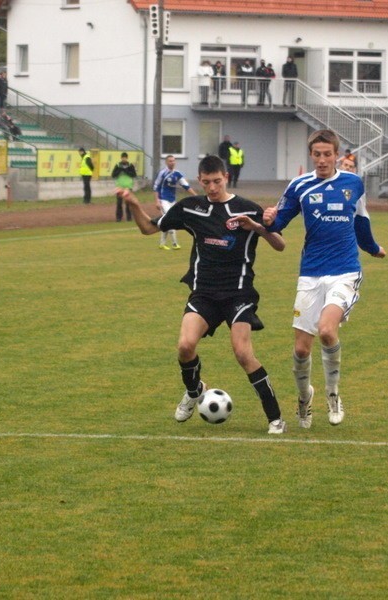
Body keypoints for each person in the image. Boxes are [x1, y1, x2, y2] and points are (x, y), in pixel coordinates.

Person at [120, 154, 288, 434]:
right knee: (185, 346)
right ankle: (195, 390)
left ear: (227, 178)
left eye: (217, 181)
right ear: (200, 180)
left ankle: (275, 418)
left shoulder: (246, 208)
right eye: (207, 182)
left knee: (243, 353)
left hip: (238, 294)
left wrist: (258, 227)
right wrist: (135, 205)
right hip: (204, 294)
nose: (212, 187)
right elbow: (148, 228)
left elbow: (280, 244)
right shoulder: (191, 208)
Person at [264, 129, 386, 429]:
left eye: (327, 154)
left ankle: (333, 396)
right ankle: (305, 399)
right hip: (310, 274)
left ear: (337, 155)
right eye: (317, 154)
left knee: (327, 330)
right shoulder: (299, 186)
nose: (322, 160)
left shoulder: (353, 184)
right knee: (301, 349)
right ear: (311, 155)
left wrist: (372, 248)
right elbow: (279, 222)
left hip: (345, 271)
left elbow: (361, 221)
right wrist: (268, 218)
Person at [153, 155, 196, 250]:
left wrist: (196, 196)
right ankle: (174, 244)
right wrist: (157, 201)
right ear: (166, 162)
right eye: (170, 161)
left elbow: (186, 186)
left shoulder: (177, 174)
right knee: (170, 219)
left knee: (166, 221)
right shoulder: (162, 173)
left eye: (173, 161)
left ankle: (162, 244)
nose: (172, 162)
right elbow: (156, 187)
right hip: (163, 200)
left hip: (173, 201)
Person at [112, 152, 137, 222]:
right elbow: (113, 175)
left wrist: (126, 171)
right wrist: (119, 170)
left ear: (127, 158)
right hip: (119, 187)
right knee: (119, 203)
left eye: (125, 158)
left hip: (128, 187)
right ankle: (118, 217)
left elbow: (134, 174)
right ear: (121, 158)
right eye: (123, 158)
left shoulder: (130, 165)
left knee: (128, 203)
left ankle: (129, 217)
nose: (124, 159)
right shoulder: (117, 165)